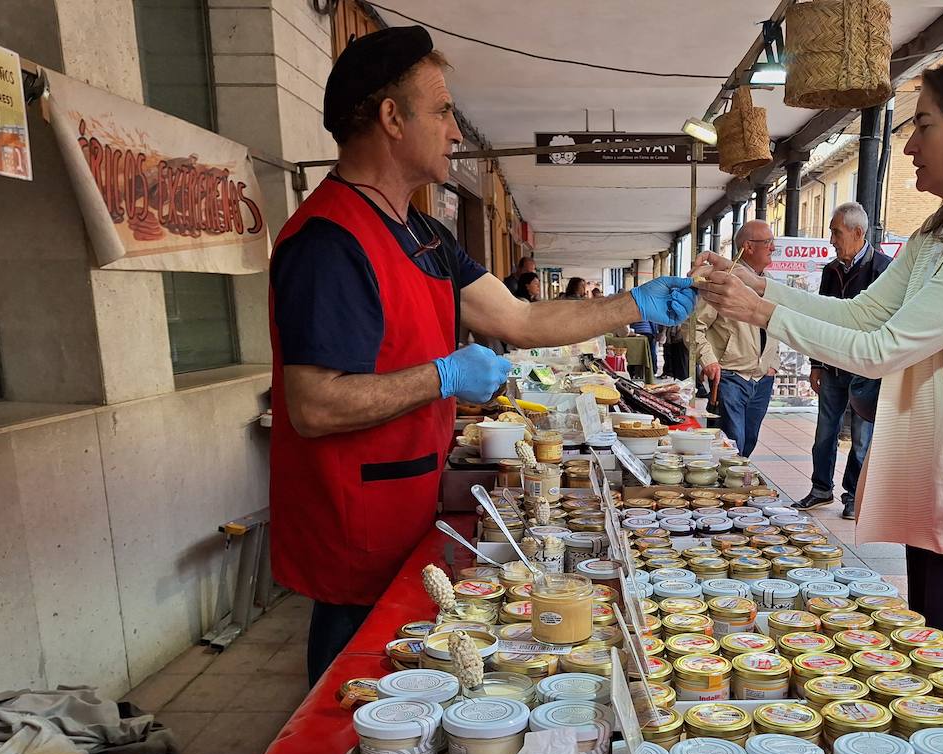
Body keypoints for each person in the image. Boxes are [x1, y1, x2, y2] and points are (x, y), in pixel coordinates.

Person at [270, 26, 696, 687]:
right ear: (390, 117)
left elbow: (520, 318)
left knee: (411, 661)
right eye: (441, 111)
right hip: (355, 521)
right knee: (354, 684)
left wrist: (630, 306)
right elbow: (315, 403)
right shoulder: (330, 240)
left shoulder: (424, 233)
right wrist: (444, 374)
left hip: (412, 501)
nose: (455, 132)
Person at [695, 53, 943, 682]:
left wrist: (761, 312)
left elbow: (883, 347)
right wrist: (760, 287)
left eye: (925, 126)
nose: (912, 145)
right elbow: (862, 314)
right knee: (934, 638)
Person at [793, 201, 893, 519]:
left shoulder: (884, 269)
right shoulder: (831, 271)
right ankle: (821, 489)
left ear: (857, 232)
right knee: (825, 431)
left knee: (862, 438)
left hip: (866, 368)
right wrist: (816, 364)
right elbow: (820, 319)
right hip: (833, 366)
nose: (832, 240)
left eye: (836, 233)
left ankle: (853, 495)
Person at [694, 220, 779, 457]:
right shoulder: (722, 280)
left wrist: (774, 363)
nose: (773, 248)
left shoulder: (770, 285)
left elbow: (776, 325)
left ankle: (736, 488)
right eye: (768, 243)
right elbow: (693, 326)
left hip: (762, 378)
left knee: (749, 442)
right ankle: (727, 491)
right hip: (731, 376)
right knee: (730, 445)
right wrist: (708, 360)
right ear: (748, 247)